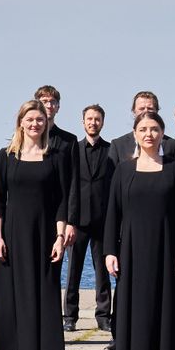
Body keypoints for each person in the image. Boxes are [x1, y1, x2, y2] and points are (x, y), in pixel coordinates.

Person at [103, 110, 175, 350]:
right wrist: (110, 252)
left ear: (162, 133)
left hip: (167, 251)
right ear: (135, 134)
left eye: (154, 129)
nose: (149, 134)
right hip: (131, 253)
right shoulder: (124, 170)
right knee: (135, 314)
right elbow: (112, 216)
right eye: (143, 129)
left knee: (170, 313)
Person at [0, 100, 68, 350]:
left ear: (46, 123)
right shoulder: (6, 155)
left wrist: (60, 237)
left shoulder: (56, 156)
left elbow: (62, 201)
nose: (35, 124)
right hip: (13, 233)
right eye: (30, 119)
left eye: (40, 119)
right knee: (13, 295)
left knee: (44, 292)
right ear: (20, 122)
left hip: (46, 233)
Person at [63, 105, 112, 333]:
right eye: (89, 119)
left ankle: (103, 316)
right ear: (83, 122)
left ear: (103, 122)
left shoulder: (111, 151)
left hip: (102, 220)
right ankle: (69, 317)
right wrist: (69, 221)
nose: (93, 122)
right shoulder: (74, 149)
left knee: (103, 271)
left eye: (97, 119)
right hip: (77, 220)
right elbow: (69, 186)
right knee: (73, 270)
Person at [35, 85, 78, 249]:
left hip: (59, 211)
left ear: (58, 107)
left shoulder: (69, 140)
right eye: (44, 101)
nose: (49, 105)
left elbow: (74, 182)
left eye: (53, 102)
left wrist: (71, 221)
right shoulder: (25, 139)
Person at [108, 91, 175, 166]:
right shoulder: (119, 145)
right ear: (134, 112)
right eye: (141, 108)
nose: (146, 111)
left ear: (157, 111)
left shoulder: (172, 145)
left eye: (150, 108)